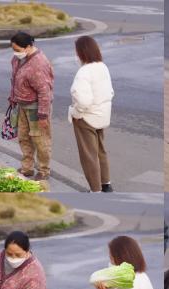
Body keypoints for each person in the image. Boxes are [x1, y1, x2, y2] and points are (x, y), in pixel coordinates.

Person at [69, 36, 115, 193]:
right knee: (100, 151)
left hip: (86, 118)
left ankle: (95, 191)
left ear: (81, 52)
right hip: (102, 115)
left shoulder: (84, 72)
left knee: (89, 156)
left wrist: (76, 113)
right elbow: (110, 91)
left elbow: (83, 100)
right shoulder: (103, 66)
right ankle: (106, 184)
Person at [9, 32, 55, 181]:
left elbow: (44, 92)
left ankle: (43, 170)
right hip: (22, 106)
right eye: (13, 49)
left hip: (36, 109)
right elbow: (14, 78)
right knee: (23, 138)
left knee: (40, 140)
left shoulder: (39, 64)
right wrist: (13, 97)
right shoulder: (17, 59)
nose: (15, 52)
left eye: (17, 49)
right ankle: (27, 167)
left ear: (28, 47)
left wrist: (43, 115)